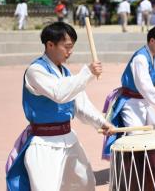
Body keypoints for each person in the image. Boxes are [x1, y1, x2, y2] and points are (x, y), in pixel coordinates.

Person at [6, 22, 114, 191]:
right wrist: (87, 73)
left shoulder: (66, 73)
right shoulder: (36, 71)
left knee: (86, 184)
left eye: (72, 47)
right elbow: (59, 94)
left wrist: (102, 122)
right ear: (50, 45)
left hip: (69, 139)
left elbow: (81, 104)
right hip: (44, 144)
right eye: (67, 47)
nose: (70, 52)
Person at [102, 26, 155, 158]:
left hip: (144, 101)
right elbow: (146, 88)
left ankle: (154, 168)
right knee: (137, 138)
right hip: (130, 103)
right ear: (152, 41)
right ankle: (135, 171)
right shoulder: (140, 59)